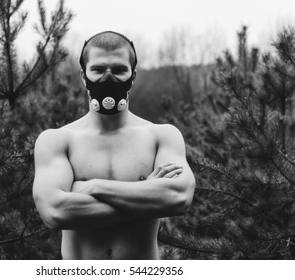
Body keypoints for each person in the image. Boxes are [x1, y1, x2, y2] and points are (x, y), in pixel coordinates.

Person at [32, 31, 195, 260]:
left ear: (133, 75)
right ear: (83, 75)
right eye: (98, 70)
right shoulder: (58, 140)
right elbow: (55, 212)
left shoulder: (161, 136)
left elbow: (178, 198)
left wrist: (93, 187)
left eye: (119, 70)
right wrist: (146, 194)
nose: (108, 79)